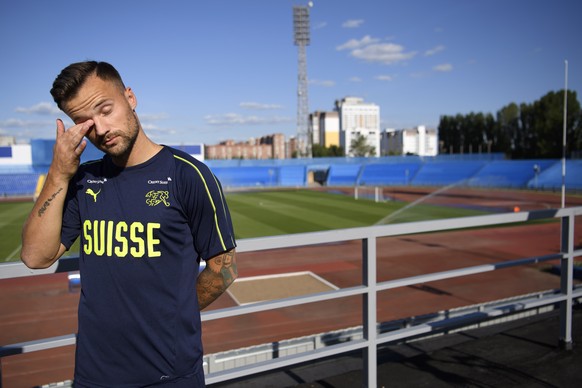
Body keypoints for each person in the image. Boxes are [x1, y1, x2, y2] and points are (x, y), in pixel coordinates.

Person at [21, 61, 237, 387]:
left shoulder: (187, 175)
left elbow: (224, 269)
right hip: (94, 375)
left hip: (171, 374)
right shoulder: (83, 181)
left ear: (130, 98)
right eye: (84, 122)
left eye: (106, 109)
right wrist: (58, 173)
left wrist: (171, 317)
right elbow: (35, 256)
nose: (101, 128)